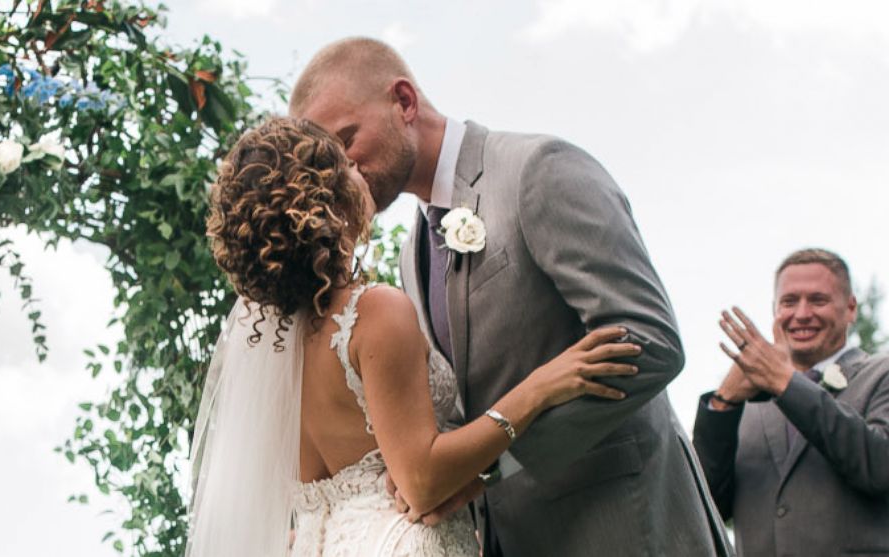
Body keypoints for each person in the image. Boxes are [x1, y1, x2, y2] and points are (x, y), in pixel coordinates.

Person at [289, 37, 730, 557]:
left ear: (404, 102)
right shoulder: (412, 253)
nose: (342, 171)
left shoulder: (538, 168)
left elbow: (651, 341)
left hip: (625, 527)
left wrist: (496, 464)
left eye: (346, 140)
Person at [186, 117, 644, 556]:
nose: (358, 170)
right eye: (345, 164)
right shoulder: (373, 312)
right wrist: (540, 388)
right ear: (324, 202)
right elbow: (421, 482)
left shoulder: (267, 344)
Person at [693, 248, 889, 556]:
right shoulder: (749, 404)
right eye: (789, 302)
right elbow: (706, 507)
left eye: (818, 300)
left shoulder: (882, 374)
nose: (801, 314)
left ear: (850, 308)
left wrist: (786, 384)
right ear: (775, 310)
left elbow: (879, 468)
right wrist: (723, 404)